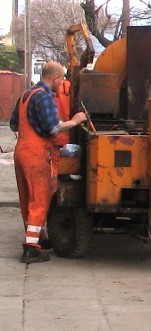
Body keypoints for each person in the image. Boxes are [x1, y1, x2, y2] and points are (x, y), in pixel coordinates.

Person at [10, 61, 87, 264]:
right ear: (54, 78)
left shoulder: (26, 95)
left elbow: (13, 124)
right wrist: (76, 120)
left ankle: (37, 238)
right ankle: (31, 249)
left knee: (27, 198)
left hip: (21, 151)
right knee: (40, 198)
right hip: (36, 153)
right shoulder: (45, 96)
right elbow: (53, 128)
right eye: (61, 79)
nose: (61, 83)